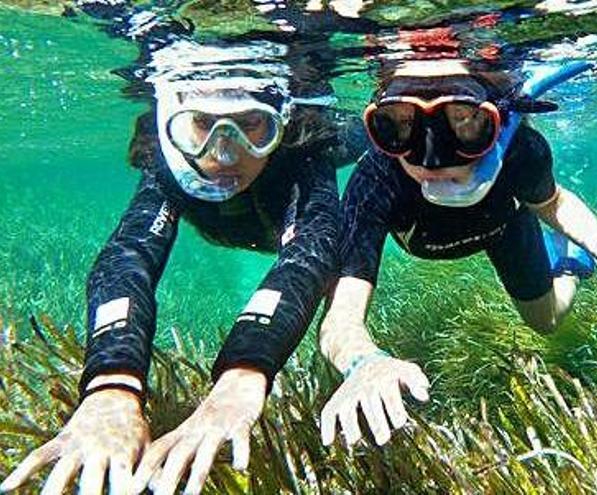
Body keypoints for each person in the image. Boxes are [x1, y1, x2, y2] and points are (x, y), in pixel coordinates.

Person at [0, 38, 362, 495]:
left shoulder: (303, 153)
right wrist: (112, 386)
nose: (225, 155)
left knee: (366, 136)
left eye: (253, 126)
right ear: (172, 121)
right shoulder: (168, 166)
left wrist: (243, 373)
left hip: (310, 157)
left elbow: (308, 254)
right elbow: (128, 255)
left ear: (281, 124)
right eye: (201, 127)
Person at [317, 58, 597, 448]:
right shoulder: (375, 181)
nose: (432, 156)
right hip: (466, 231)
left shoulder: (521, 150)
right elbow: (340, 320)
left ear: (494, 121)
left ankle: (570, 264)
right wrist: (364, 362)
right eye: (401, 124)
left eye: (463, 121)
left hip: (504, 226)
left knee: (547, 322)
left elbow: (552, 204)